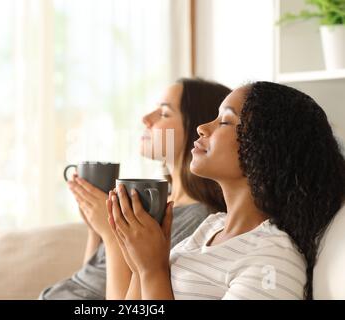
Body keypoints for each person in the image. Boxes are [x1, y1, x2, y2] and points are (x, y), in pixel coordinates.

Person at [107, 81, 345, 300]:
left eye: (224, 121)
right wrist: (139, 264)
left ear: (263, 147)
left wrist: (151, 269)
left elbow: (153, 278)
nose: (201, 128)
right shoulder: (211, 228)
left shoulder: (272, 260)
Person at [39, 78, 232, 299]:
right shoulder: (154, 202)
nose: (146, 119)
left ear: (198, 128)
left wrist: (111, 235)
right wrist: (95, 229)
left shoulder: (199, 221)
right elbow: (91, 280)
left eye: (164, 113)